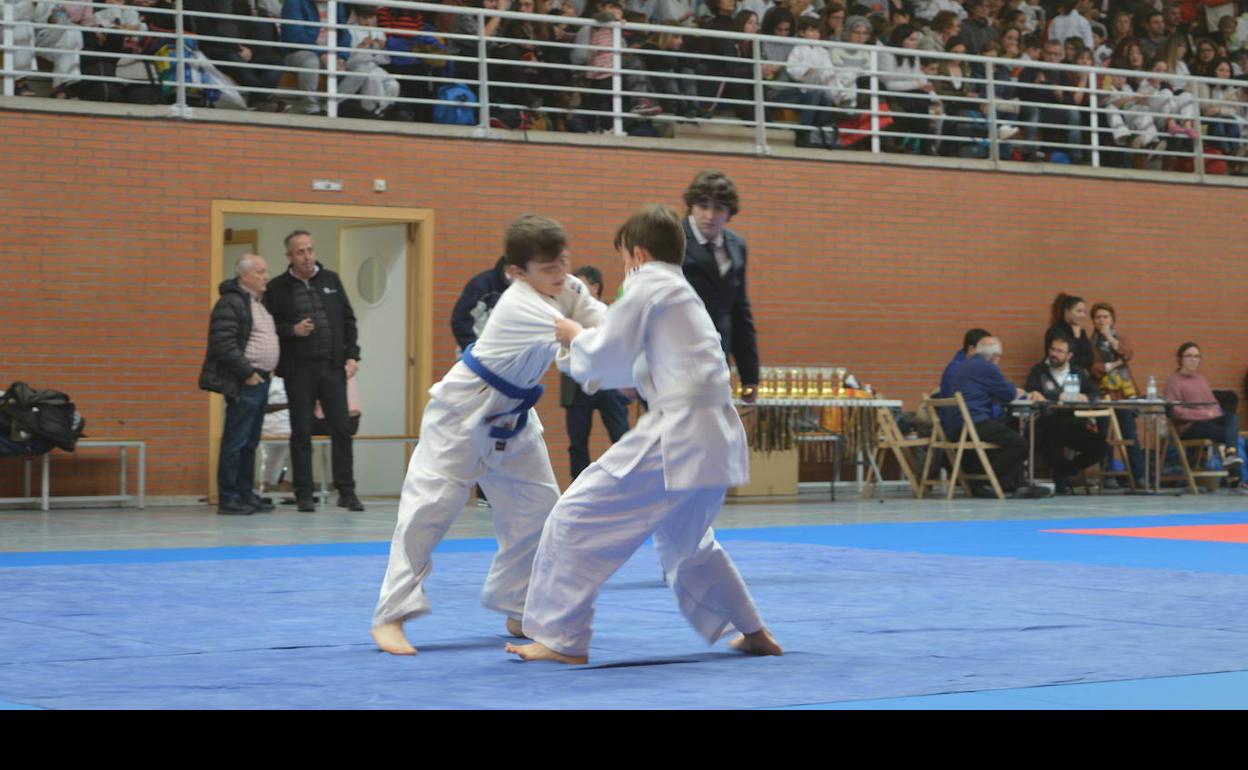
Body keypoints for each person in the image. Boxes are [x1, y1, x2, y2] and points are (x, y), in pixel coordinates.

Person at [505, 205, 781, 664]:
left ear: (636, 253)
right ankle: (753, 630)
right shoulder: (680, 291)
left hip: (679, 432)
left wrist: (573, 334)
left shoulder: (647, 281)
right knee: (689, 543)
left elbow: (608, 354)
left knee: (573, 515)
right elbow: (634, 369)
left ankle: (562, 640)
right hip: (717, 434)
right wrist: (593, 355)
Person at [371, 215, 608, 656]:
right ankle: (390, 615)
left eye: (563, 262)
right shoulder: (523, 305)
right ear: (517, 273)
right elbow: (586, 350)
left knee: (539, 514)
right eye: (548, 268)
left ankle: (519, 605)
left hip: (515, 416)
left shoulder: (568, 288)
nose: (560, 274)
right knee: (428, 512)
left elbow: (603, 324)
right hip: (462, 413)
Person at [263, 230, 363, 512]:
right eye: (300, 252)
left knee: (341, 429)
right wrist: (292, 331)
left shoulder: (330, 280)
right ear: (289, 256)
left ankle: (347, 491)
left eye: (310, 250)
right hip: (299, 370)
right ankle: (303, 492)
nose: (307, 257)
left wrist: (353, 356)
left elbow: (348, 319)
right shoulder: (278, 288)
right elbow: (270, 329)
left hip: (332, 367)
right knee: (301, 431)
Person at [198, 255, 280, 515]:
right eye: (260, 271)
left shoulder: (259, 303)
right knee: (236, 441)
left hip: (262, 379)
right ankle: (229, 496)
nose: (266, 276)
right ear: (244, 276)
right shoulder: (231, 302)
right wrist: (247, 373)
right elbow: (223, 342)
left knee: (250, 442)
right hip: (246, 380)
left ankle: (246, 493)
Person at [680, 171, 759, 403]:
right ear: (691, 206)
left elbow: (740, 310)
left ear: (729, 212)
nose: (710, 215)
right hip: (676, 358)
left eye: (719, 208)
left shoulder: (737, 246)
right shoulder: (673, 239)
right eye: (703, 205)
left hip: (717, 357)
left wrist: (750, 375)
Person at [947, 336, 1049, 498]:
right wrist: (1021, 392)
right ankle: (989, 480)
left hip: (956, 426)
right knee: (1019, 443)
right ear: (995, 356)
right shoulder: (988, 367)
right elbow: (1008, 394)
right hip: (974, 423)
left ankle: (1014, 484)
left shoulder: (964, 366)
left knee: (1009, 431)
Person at [560, 266, 631, 479]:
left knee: (622, 437)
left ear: (595, 287)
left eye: (581, 287)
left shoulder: (611, 315)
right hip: (576, 387)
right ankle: (578, 487)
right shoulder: (567, 319)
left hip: (609, 386)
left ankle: (630, 479)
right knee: (577, 442)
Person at [1023, 334, 1107, 494]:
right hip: (1046, 422)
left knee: (1101, 447)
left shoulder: (1077, 372)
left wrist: (1086, 397)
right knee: (1053, 432)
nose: (1054, 353)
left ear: (1069, 356)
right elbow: (1031, 392)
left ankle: (1066, 470)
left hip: (1072, 423)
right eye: (1052, 349)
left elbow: (1095, 392)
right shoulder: (1039, 370)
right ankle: (1060, 479)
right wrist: (1055, 397)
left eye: (1060, 351)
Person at [1164, 342, 1244, 481]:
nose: (1193, 359)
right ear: (1180, 359)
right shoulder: (1173, 381)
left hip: (1208, 422)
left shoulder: (1201, 379)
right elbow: (1174, 411)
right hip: (1189, 426)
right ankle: (1234, 474)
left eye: (1197, 356)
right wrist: (1203, 414)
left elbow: (1213, 403)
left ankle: (1231, 455)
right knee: (1230, 434)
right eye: (1189, 356)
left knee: (1232, 418)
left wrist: (1214, 413)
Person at [1044, 292, 1092, 372]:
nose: (1083, 315)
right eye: (1079, 311)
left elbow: (1089, 358)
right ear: (1066, 311)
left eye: (1084, 312)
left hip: (1077, 375)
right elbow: (1062, 358)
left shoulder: (1081, 332)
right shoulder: (1055, 331)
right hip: (1058, 374)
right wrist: (1076, 338)